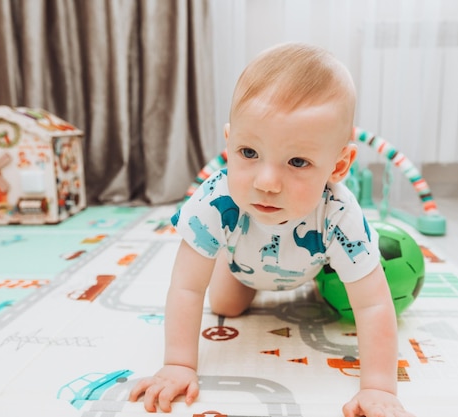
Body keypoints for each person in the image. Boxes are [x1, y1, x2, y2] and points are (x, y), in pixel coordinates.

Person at [129, 42, 415, 417]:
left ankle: (324, 274)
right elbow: (186, 287)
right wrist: (179, 364)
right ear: (230, 144)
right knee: (227, 306)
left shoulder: (339, 212)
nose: (266, 182)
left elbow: (374, 304)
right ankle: (221, 256)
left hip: (311, 263)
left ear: (338, 166)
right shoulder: (216, 201)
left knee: (351, 287)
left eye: (298, 161)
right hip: (242, 268)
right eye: (249, 153)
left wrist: (379, 388)